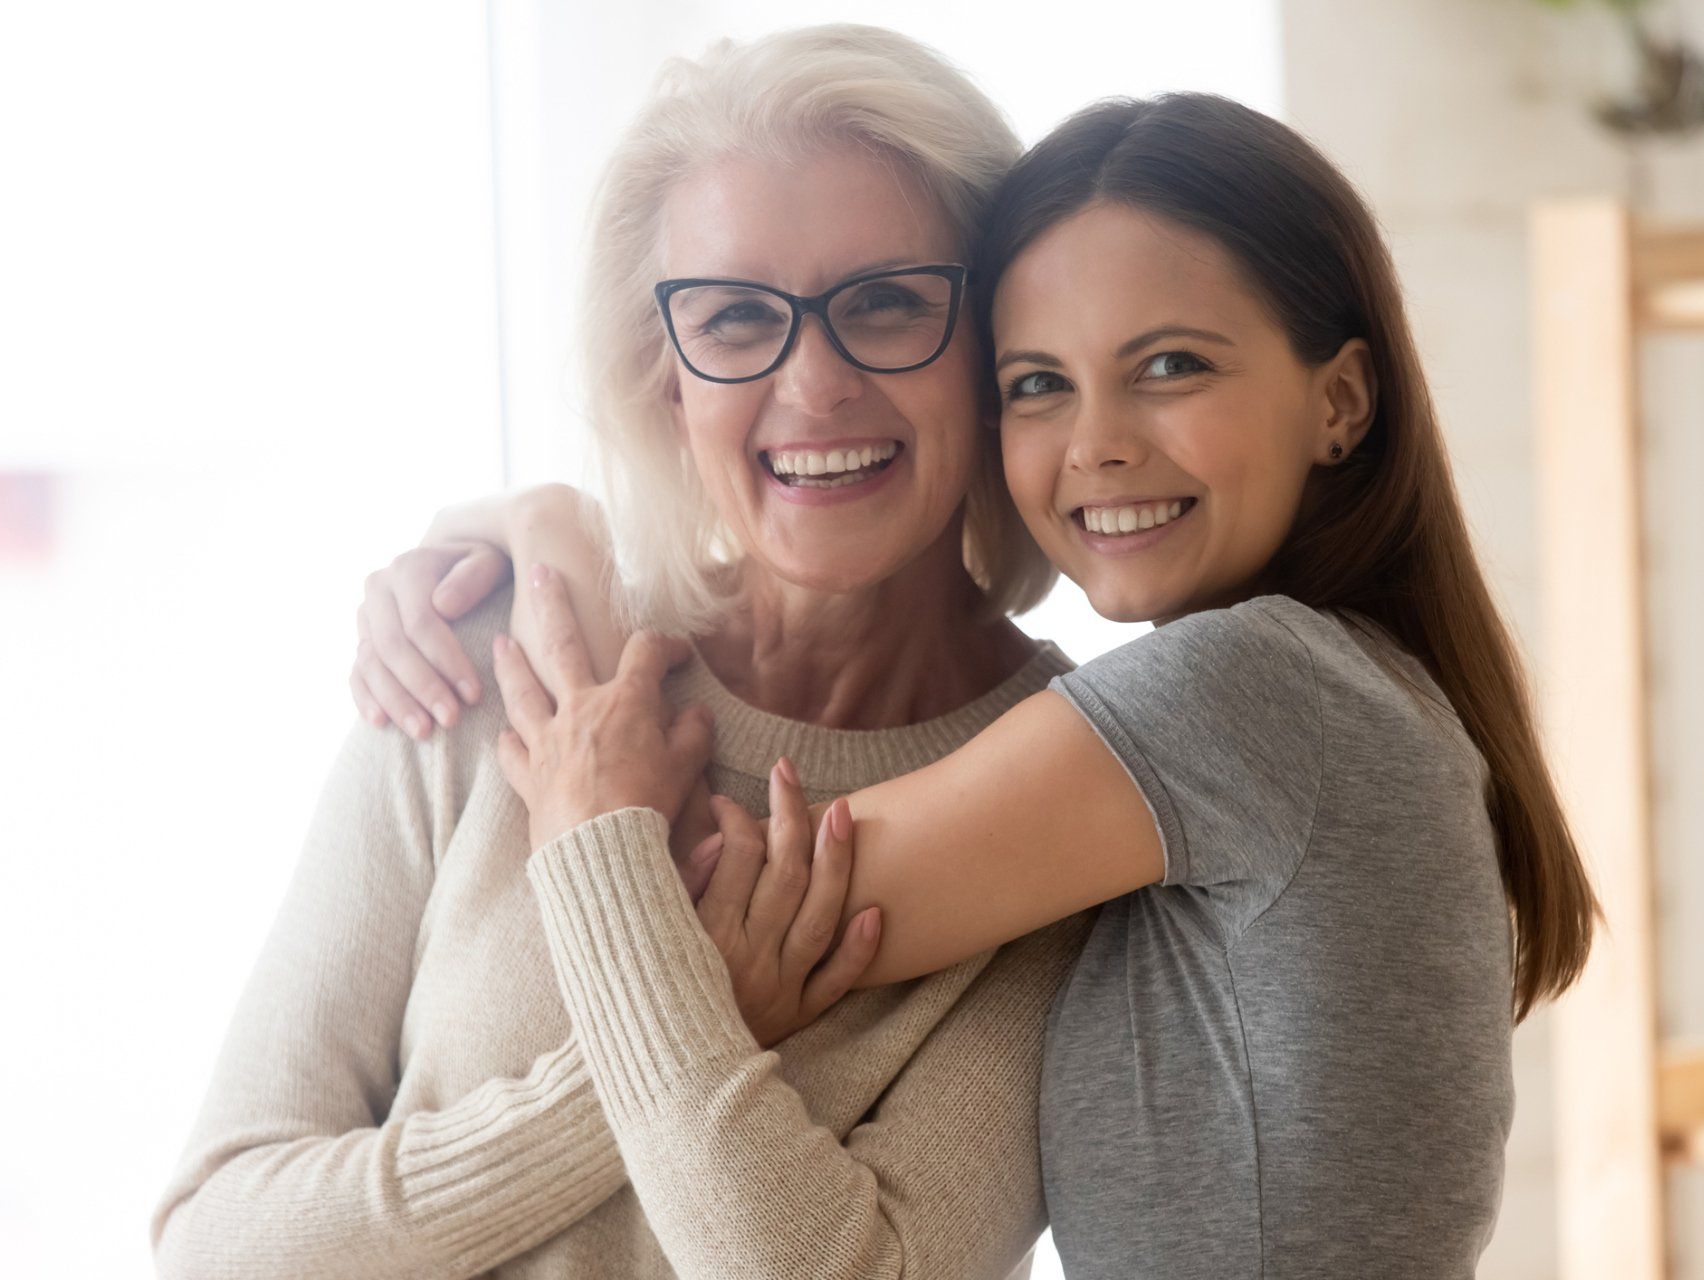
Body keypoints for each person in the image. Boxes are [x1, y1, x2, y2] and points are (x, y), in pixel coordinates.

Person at [362, 90, 1601, 1279]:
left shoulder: (1248, 692)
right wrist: (535, 520)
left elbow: (761, 878)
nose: (1097, 440)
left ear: (1340, 401)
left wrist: (566, 607)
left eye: (1170, 365)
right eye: (1038, 384)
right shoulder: (1328, 698)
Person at [150, 25, 1096, 1280]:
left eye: (886, 303)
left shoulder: (1072, 780)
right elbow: (217, 1237)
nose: (814, 389)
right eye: (738, 316)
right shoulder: (501, 656)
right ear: (667, 378)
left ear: (994, 343)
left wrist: (607, 867)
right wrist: (682, 1014)